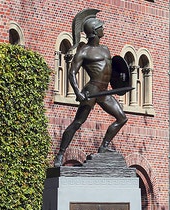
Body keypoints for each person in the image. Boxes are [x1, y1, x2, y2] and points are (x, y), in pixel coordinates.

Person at [53, 10, 128, 167]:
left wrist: (120, 77)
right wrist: (78, 93)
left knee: (122, 118)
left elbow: (110, 70)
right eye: (101, 27)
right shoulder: (84, 51)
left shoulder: (106, 49)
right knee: (78, 122)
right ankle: (60, 154)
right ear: (94, 31)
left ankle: (104, 146)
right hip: (91, 91)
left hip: (105, 91)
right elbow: (72, 73)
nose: (103, 30)